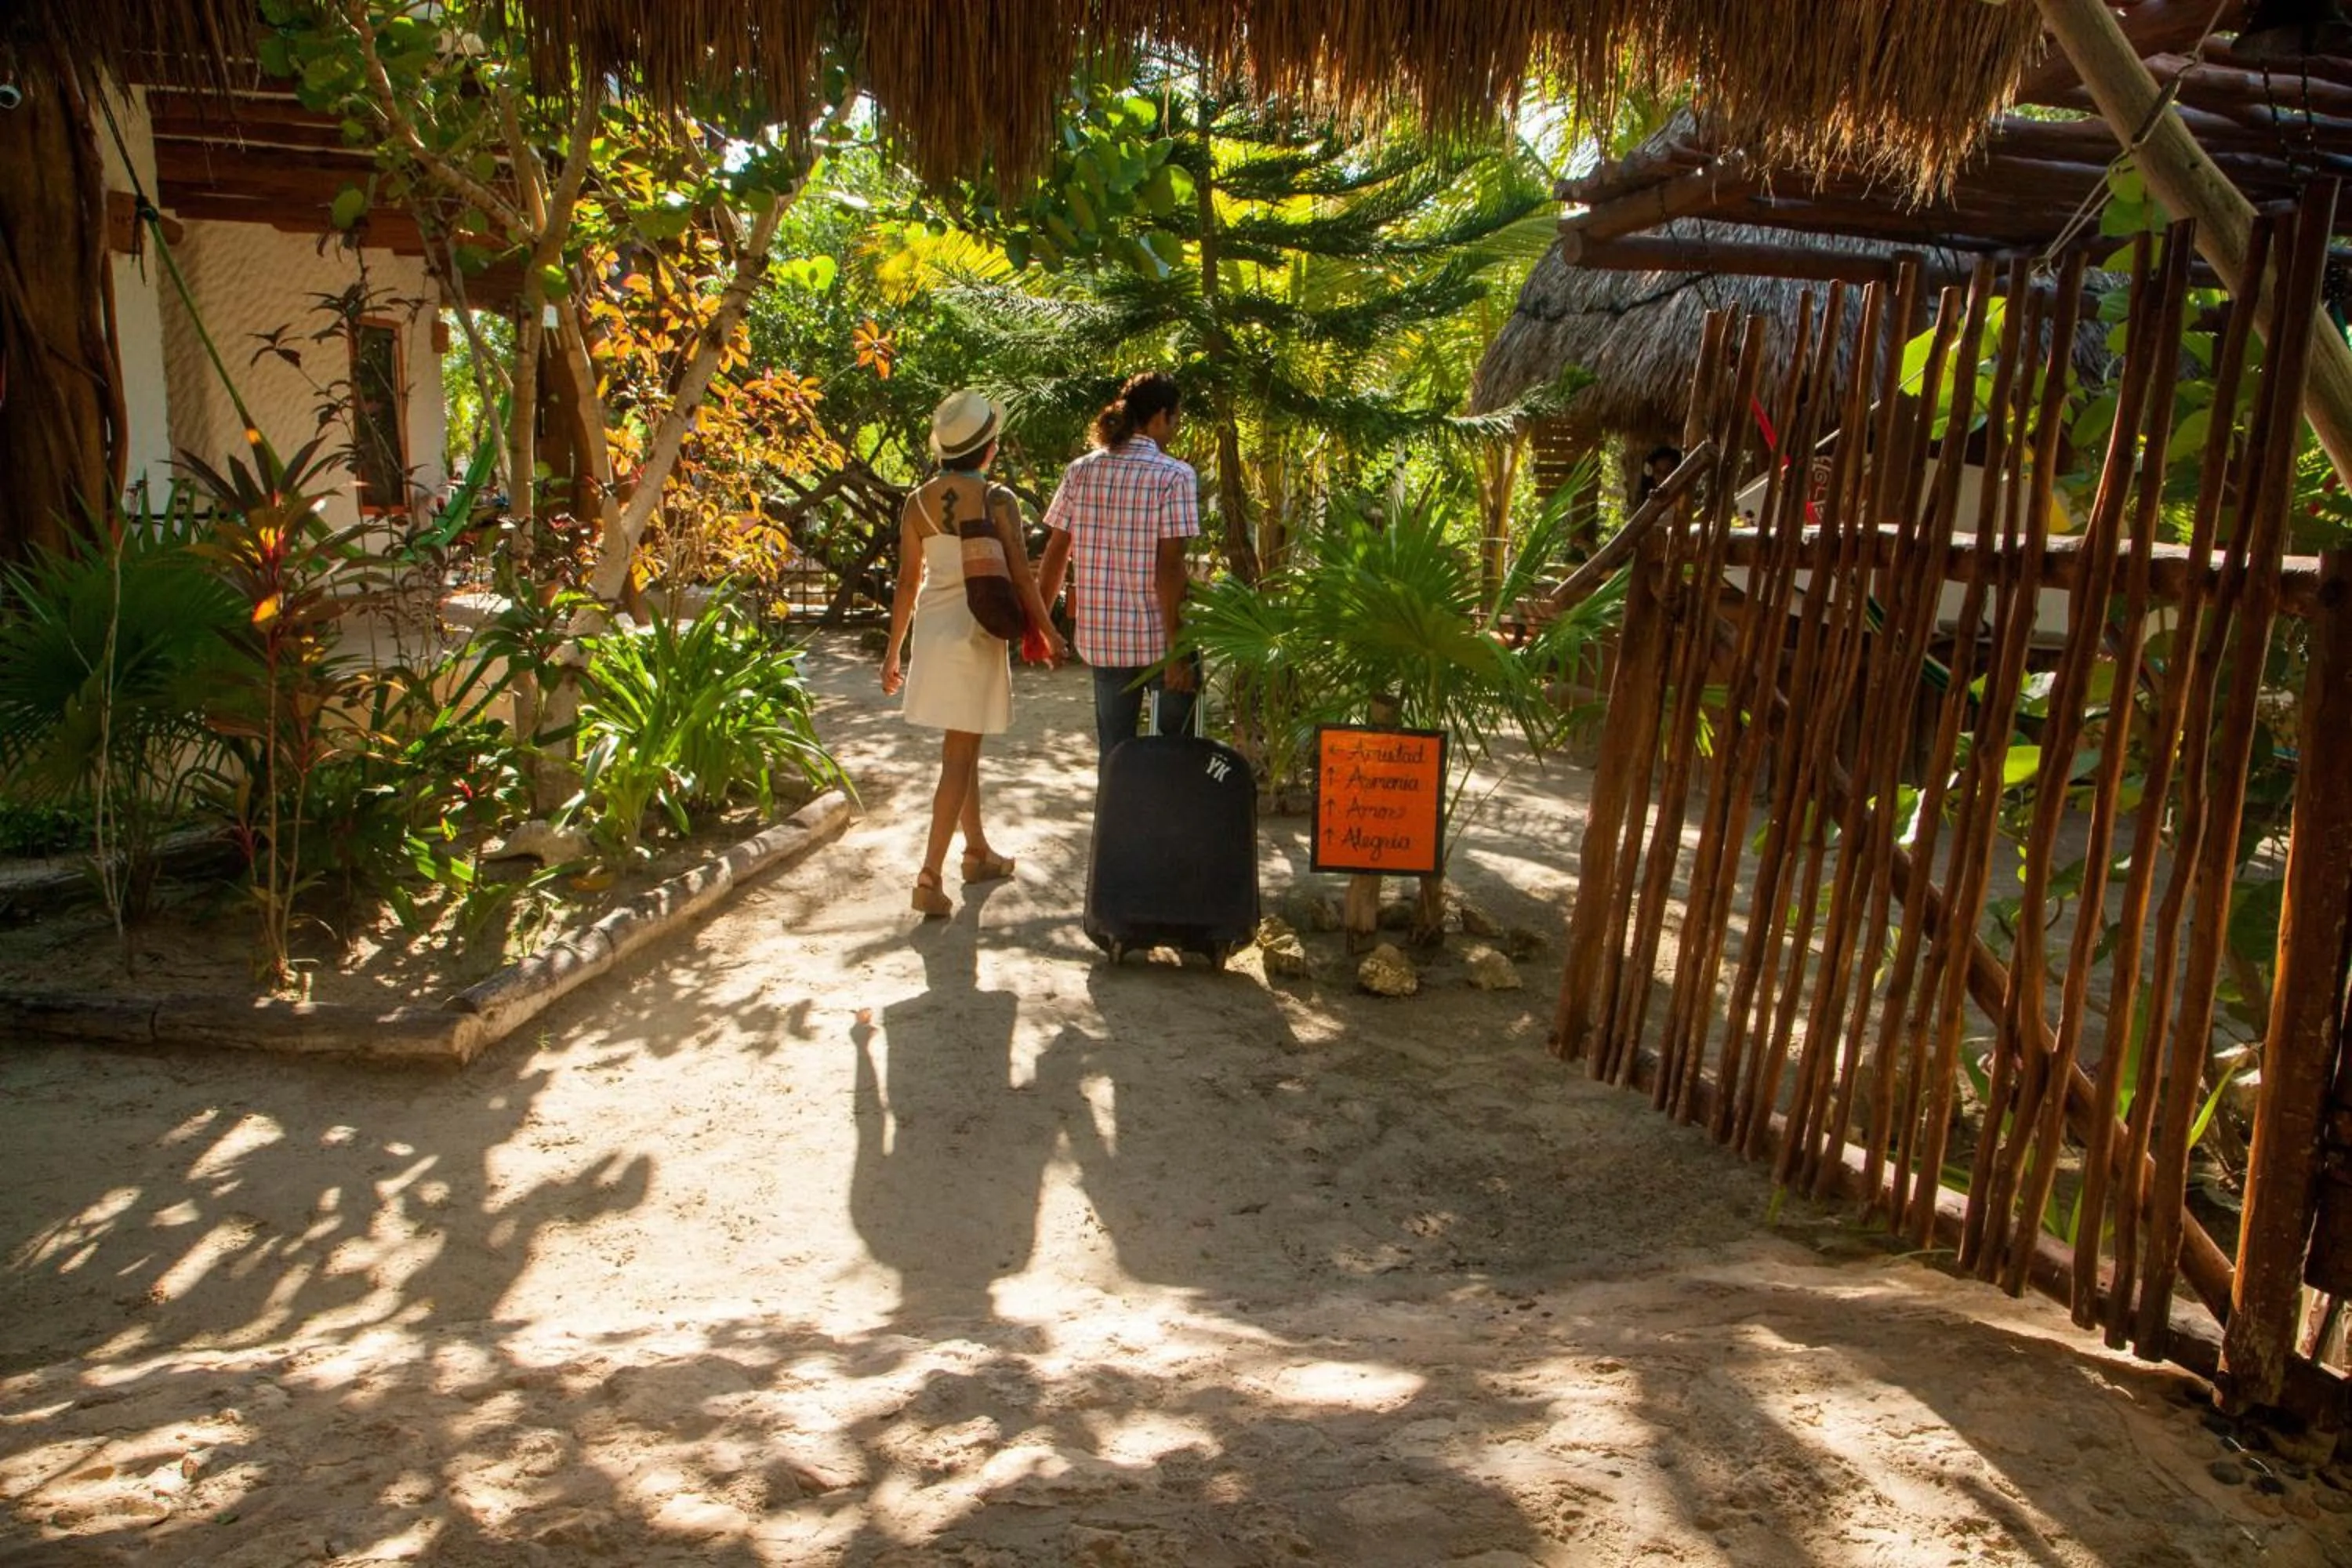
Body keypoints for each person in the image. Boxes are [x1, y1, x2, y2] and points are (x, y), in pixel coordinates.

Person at [881, 390, 1067, 918]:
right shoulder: (996, 499)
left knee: (964, 748)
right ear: (989, 449)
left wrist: (894, 652)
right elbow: (1022, 577)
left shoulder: (916, 501)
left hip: (934, 634)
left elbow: (904, 584)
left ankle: (978, 851)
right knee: (959, 757)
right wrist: (1048, 631)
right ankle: (928, 876)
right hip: (977, 632)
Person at [1035, 371, 1201, 759]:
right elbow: (1171, 567)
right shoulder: (1174, 476)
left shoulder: (1081, 471)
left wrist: (1043, 626)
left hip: (1103, 640)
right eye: (1175, 419)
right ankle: (1165, 820)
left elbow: (1057, 551)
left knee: (1114, 753)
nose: (1174, 430)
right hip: (1161, 642)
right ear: (1160, 416)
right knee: (1173, 755)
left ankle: (1113, 820)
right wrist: (1178, 649)